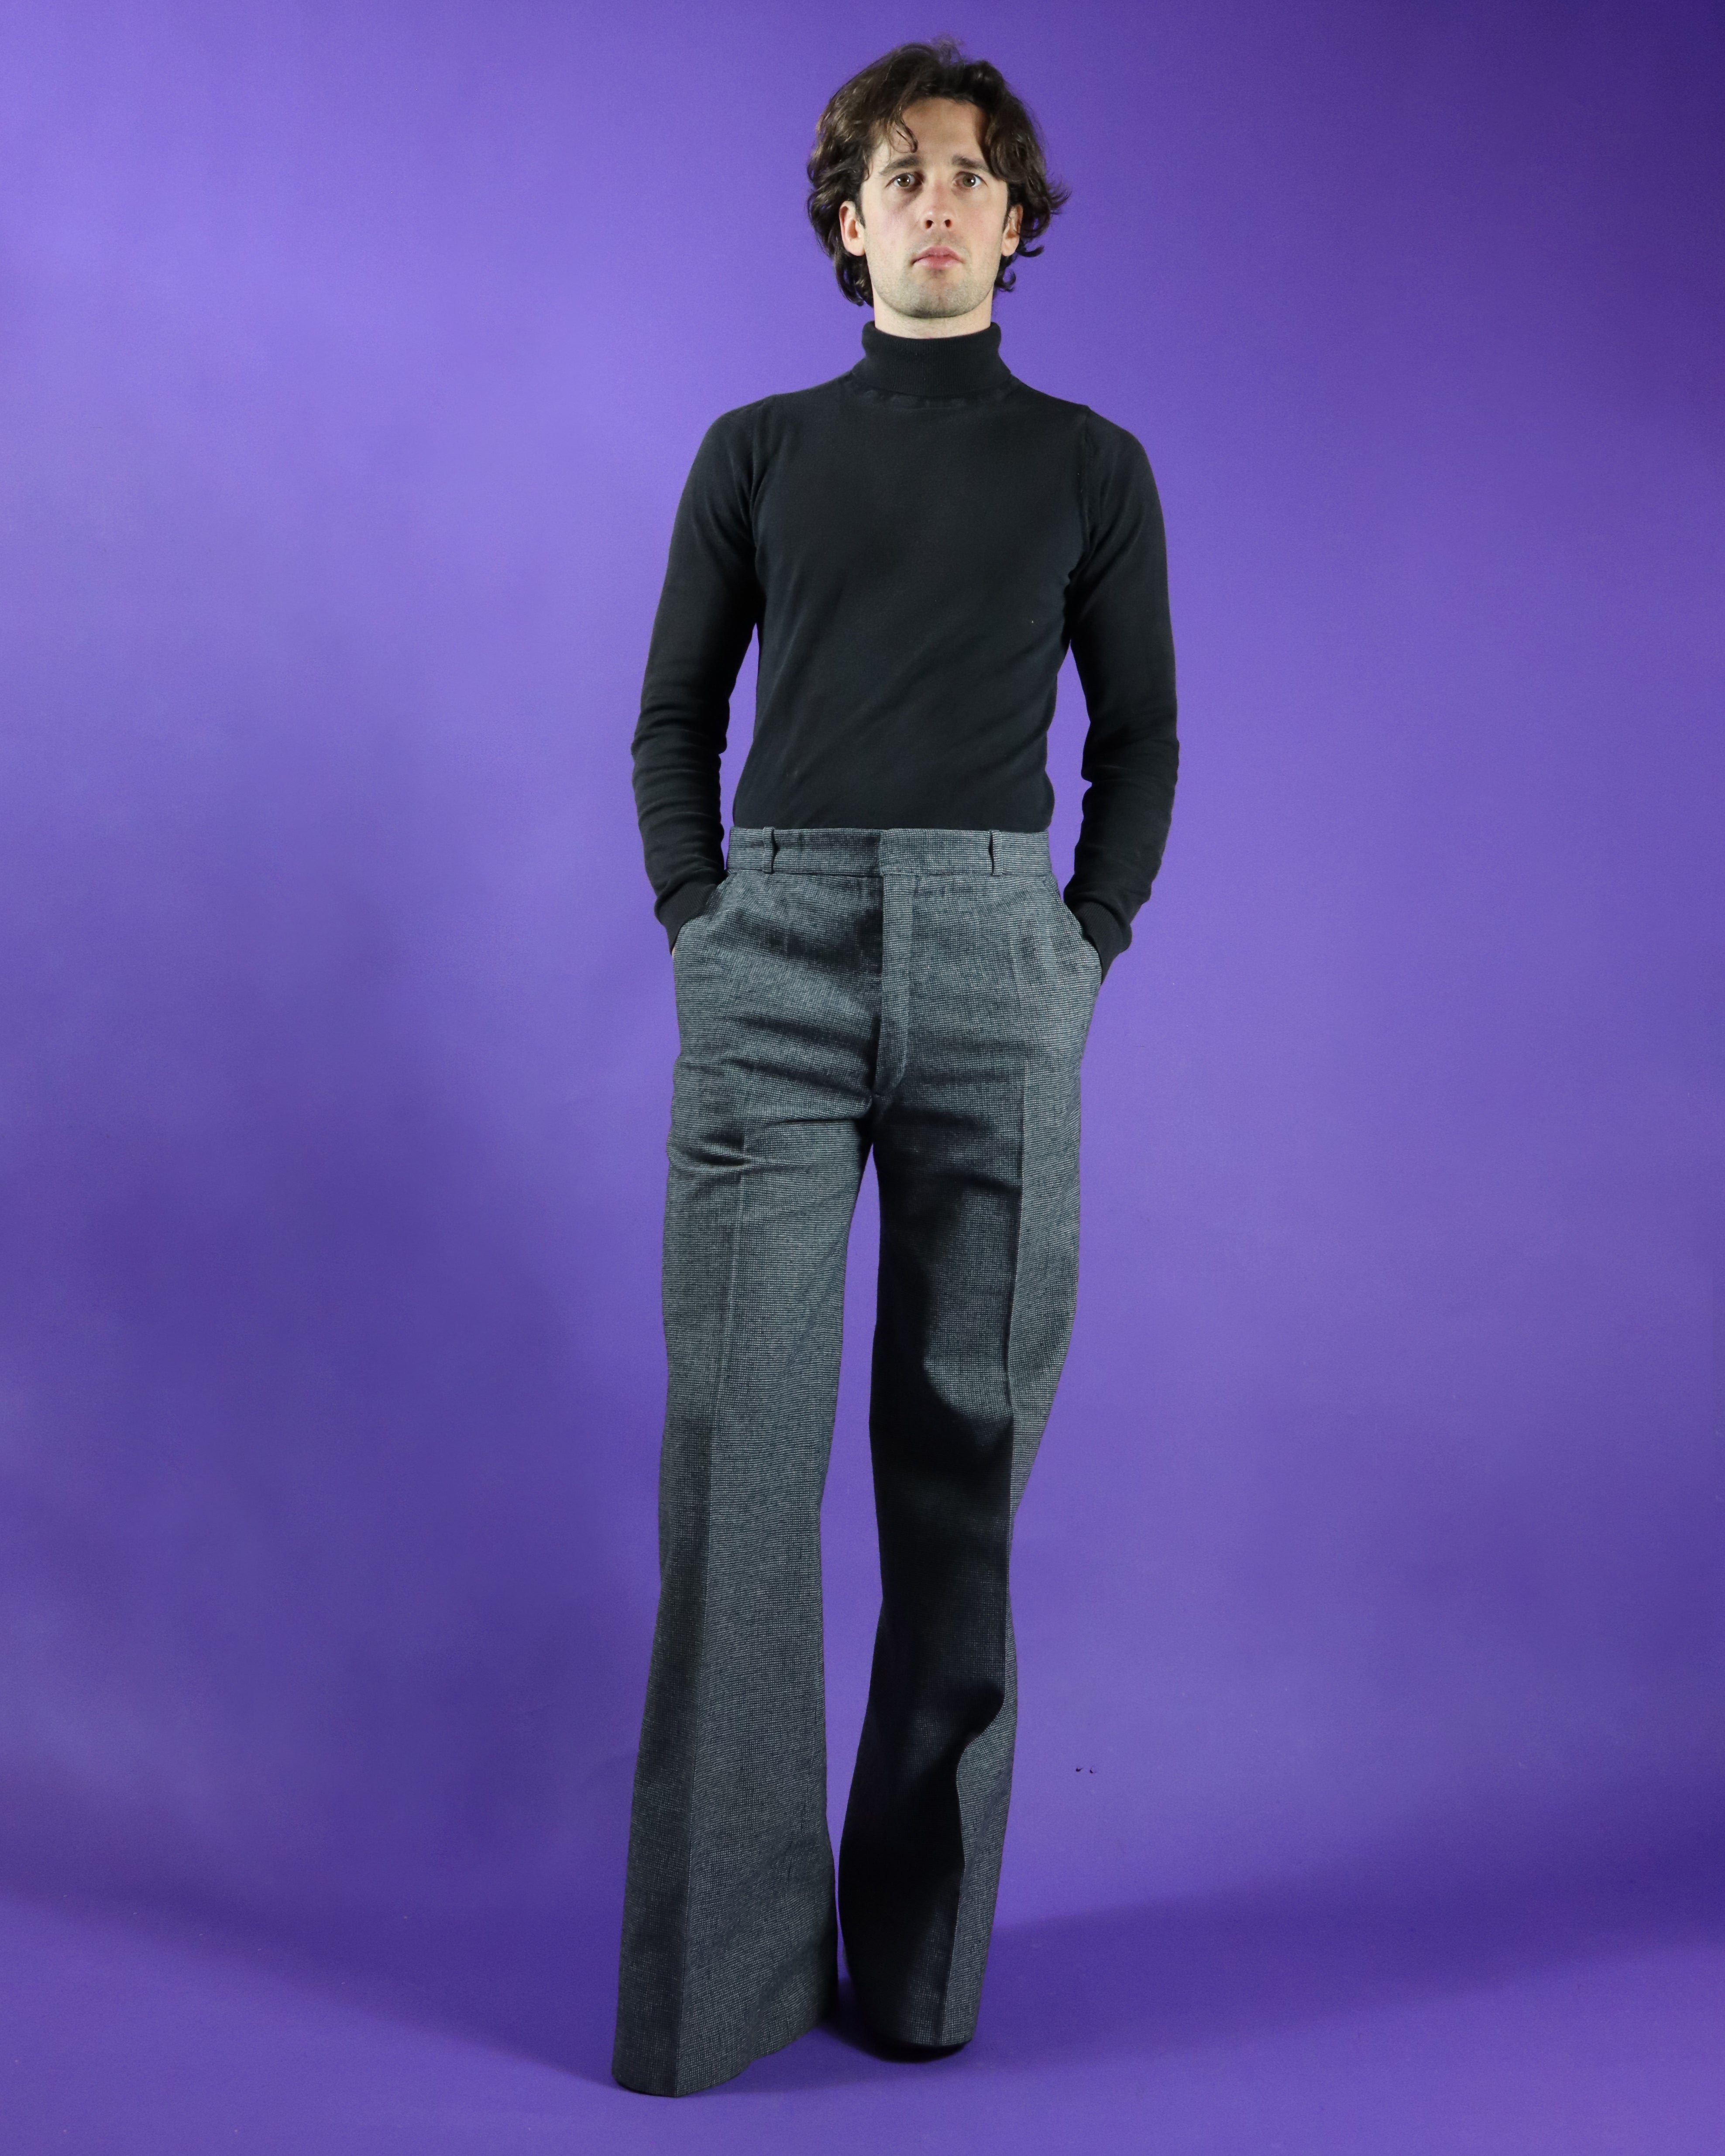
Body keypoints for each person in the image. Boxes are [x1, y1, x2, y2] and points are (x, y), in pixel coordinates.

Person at [613, 38, 1178, 2097]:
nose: (933, 200)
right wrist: (701, 919)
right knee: (736, 1460)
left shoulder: (1091, 467)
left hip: (996, 964)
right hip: (770, 963)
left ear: (1015, 225)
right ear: (845, 225)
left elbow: (1142, 741)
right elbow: (673, 720)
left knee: (965, 1470)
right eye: (894, 173)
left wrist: (1080, 946)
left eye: (967, 174)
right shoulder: (755, 451)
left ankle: (923, 1972)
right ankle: (715, 1992)